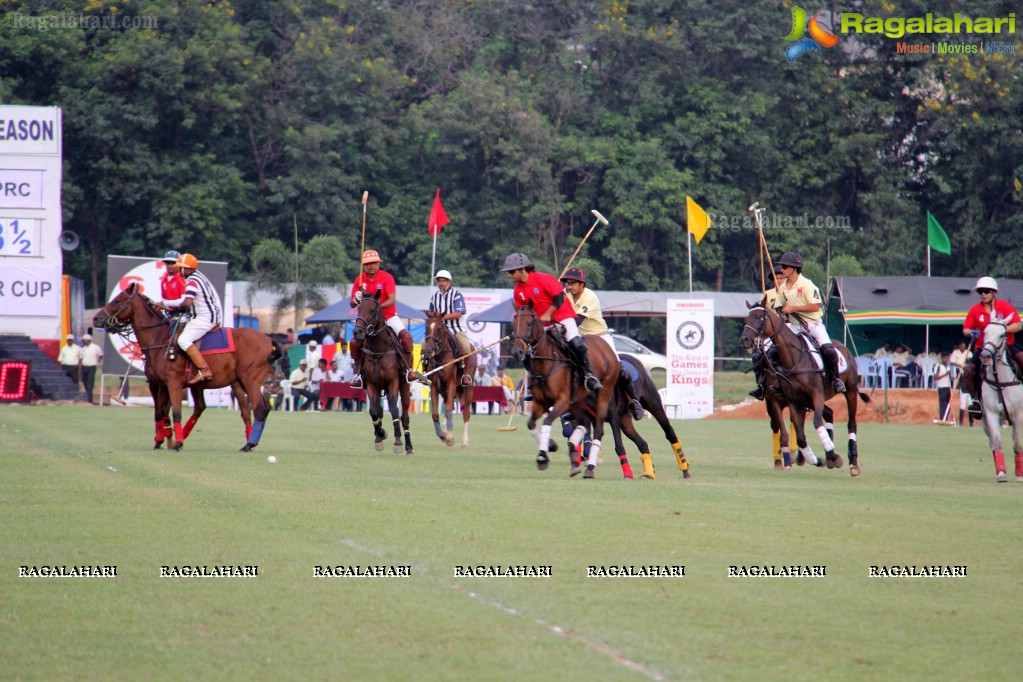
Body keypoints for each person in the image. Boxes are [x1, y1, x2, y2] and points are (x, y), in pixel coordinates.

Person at [501, 252, 603, 392]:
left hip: (562, 317)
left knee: (576, 343)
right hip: (541, 325)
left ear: (522, 269)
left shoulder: (544, 279)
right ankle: (535, 382)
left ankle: (588, 375)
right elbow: (522, 310)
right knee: (525, 347)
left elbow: (560, 297)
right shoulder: (518, 290)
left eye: (511, 272)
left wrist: (548, 314)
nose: (509, 275)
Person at [560, 266, 644, 420]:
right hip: (582, 338)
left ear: (582, 284)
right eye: (567, 283)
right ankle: (572, 405)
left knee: (619, 369)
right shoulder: (567, 294)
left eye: (572, 283)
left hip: (600, 337)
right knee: (569, 366)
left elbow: (577, 321)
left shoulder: (589, 297)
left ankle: (634, 401)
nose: (569, 286)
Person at [348, 249, 425, 387]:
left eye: (374, 263)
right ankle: (359, 373)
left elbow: (392, 300)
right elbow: (352, 304)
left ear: (378, 263)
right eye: (368, 264)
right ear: (364, 265)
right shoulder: (359, 280)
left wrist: (377, 308)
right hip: (367, 320)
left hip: (388, 316)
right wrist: (355, 298)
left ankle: (408, 370)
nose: (371, 266)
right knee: (354, 343)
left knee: (406, 337)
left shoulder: (386, 277)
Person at [774, 252, 845, 394]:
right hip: (794, 326)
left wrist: (793, 308)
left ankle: (836, 379)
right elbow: (778, 306)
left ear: (795, 268)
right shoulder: (782, 288)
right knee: (776, 350)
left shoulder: (807, 285)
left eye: (785, 267)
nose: (782, 270)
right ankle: (779, 381)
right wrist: (781, 310)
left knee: (828, 350)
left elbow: (815, 306)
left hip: (812, 324)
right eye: (782, 267)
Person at [961, 276, 1023, 417]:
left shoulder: (1005, 306)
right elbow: (965, 329)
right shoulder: (975, 309)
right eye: (980, 291)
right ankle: (976, 401)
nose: (983, 294)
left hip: (1005, 346)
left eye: (986, 291)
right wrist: (971, 332)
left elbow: (1018, 325)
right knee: (969, 371)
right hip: (983, 348)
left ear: (994, 292)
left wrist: (1002, 330)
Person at [162, 253, 222, 385]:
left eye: (180, 267)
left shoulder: (192, 281)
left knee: (183, 340)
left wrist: (172, 305)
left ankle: (204, 369)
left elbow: (187, 302)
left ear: (186, 268)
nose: (179, 270)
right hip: (205, 315)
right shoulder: (198, 276)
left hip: (205, 318)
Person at [428, 269, 475, 385]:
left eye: (444, 281)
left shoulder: (456, 295)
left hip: (456, 329)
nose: (441, 283)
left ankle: (466, 375)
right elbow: (431, 313)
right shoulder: (434, 297)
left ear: (449, 282)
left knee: (466, 347)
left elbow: (459, 313)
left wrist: (441, 318)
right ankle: (426, 373)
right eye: (439, 281)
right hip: (439, 330)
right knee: (425, 345)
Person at [749, 263, 785, 400]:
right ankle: (761, 386)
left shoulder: (792, 293)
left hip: (791, 328)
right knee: (757, 354)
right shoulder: (767, 295)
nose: (779, 281)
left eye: (781, 278)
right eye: (776, 278)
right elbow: (760, 317)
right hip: (773, 333)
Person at [159, 250, 187, 319]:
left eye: (173, 263)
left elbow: (184, 301)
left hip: (183, 315)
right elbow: (164, 298)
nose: (170, 266)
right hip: (169, 315)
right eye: (168, 263)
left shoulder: (182, 278)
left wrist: (164, 304)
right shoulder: (164, 278)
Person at [80, 333, 103, 404]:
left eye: (84, 340)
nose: (83, 342)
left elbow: (100, 355)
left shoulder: (96, 347)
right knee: (85, 383)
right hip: (84, 367)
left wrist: (99, 360)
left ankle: (90, 400)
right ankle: (87, 397)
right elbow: (81, 359)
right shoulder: (83, 349)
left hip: (91, 367)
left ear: (88, 340)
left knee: (90, 384)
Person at [934, 352, 953, 421]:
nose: (946, 359)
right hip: (941, 387)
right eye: (945, 358)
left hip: (948, 387)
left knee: (948, 404)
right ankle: (942, 419)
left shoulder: (948, 367)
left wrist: (951, 377)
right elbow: (935, 377)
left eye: (947, 358)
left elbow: (950, 377)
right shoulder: (938, 366)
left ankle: (946, 418)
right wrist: (945, 374)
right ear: (942, 358)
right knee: (943, 404)